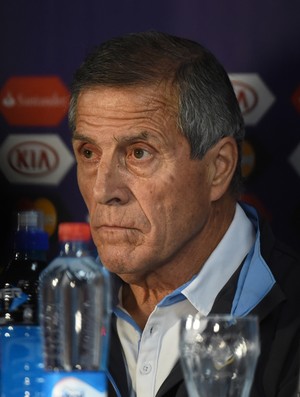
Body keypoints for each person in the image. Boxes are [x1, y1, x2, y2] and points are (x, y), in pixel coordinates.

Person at [68, 31, 300, 397]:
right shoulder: (49, 310)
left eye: (139, 153)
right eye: (89, 153)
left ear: (218, 168)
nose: (103, 190)